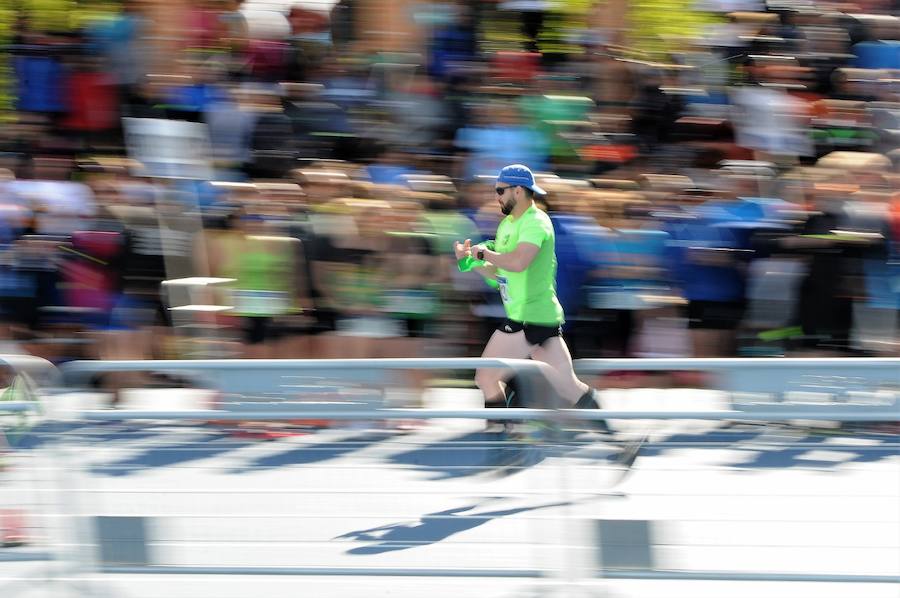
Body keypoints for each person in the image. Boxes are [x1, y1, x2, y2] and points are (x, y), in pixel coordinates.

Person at [454, 164, 605, 419]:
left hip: (527, 316)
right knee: (569, 387)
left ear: (519, 191)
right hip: (540, 314)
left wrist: (484, 253)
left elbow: (518, 262)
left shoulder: (536, 222)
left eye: (500, 191)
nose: (496, 196)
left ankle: (503, 445)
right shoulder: (508, 225)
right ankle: (618, 442)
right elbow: (501, 277)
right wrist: (471, 263)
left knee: (486, 377)